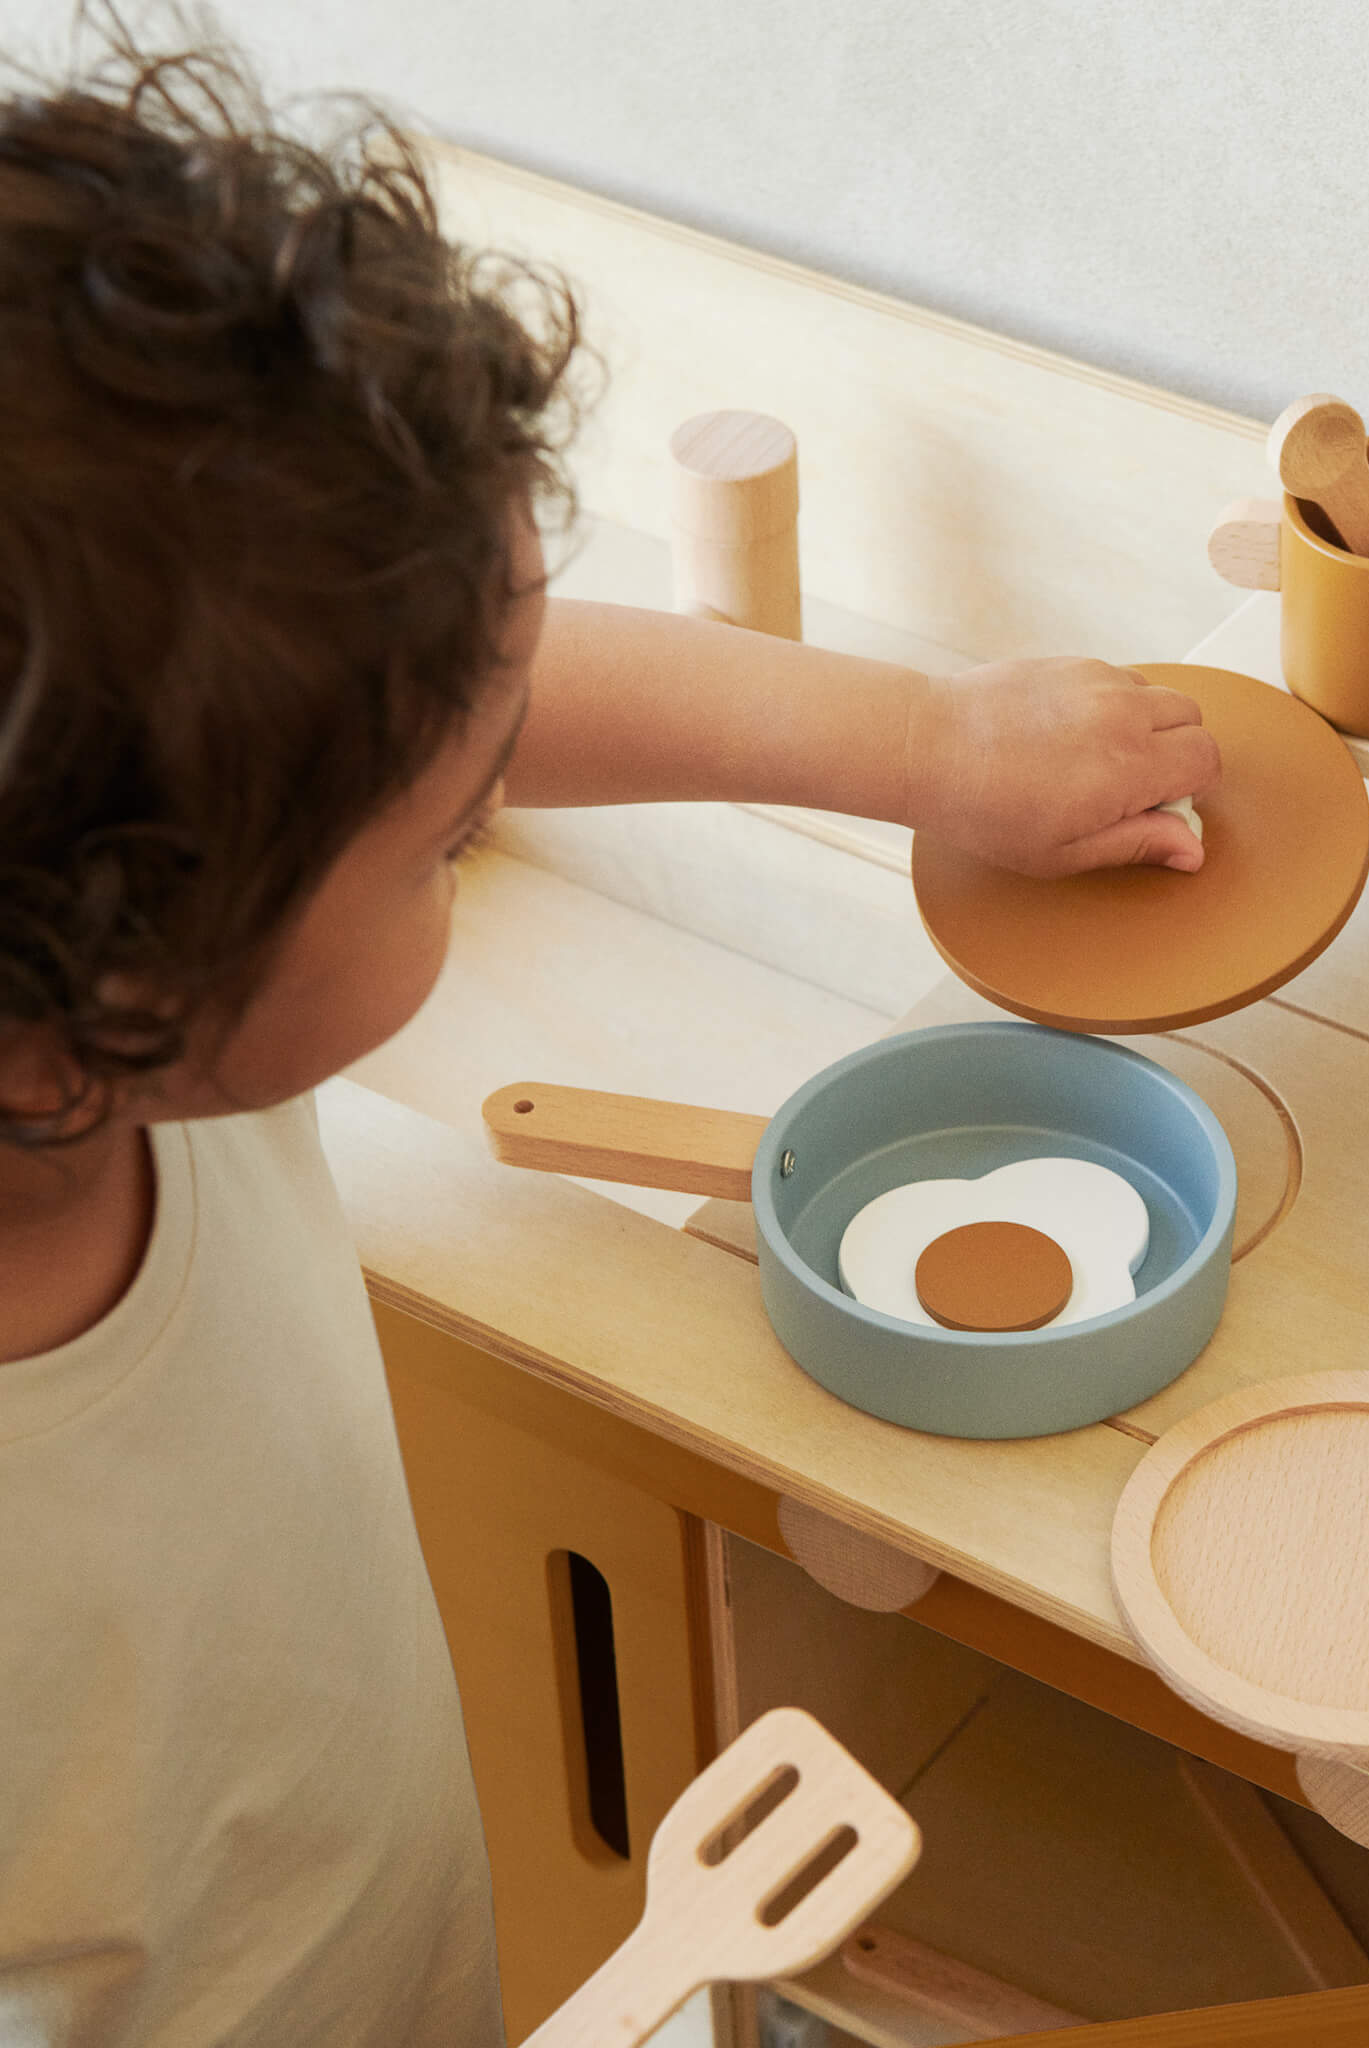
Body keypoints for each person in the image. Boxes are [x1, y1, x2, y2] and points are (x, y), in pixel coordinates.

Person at [0, 22, 1218, 2045]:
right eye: (445, 841)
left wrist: (929, 743)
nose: (491, 800)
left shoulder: (101, 942)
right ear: (110, 1009)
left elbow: (456, 681)